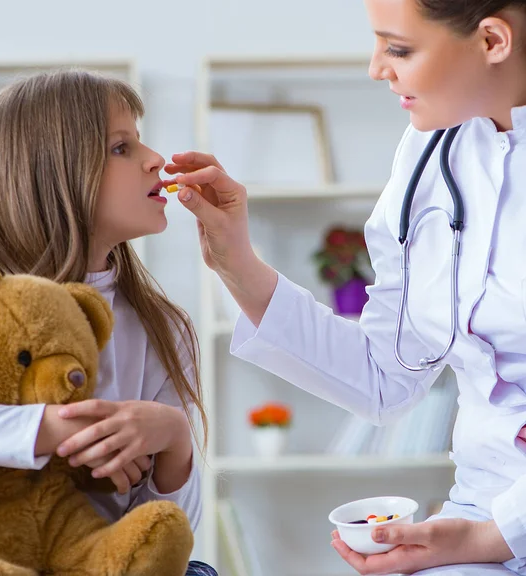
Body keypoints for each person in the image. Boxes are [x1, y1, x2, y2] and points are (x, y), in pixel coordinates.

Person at [165, 1, 526, 574]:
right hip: (480, 512)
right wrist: (236, 260)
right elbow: (385, 378)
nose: (376, 67)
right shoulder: (428, 157)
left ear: (492, 41)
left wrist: (488, 538)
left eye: (399, 48)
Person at [0, 69, 217, 576]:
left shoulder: (163, 327)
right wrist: (54, 429)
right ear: (50, 174)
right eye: (122, 148)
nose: (155, 160)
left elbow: (170, 535)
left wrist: (173, 437)